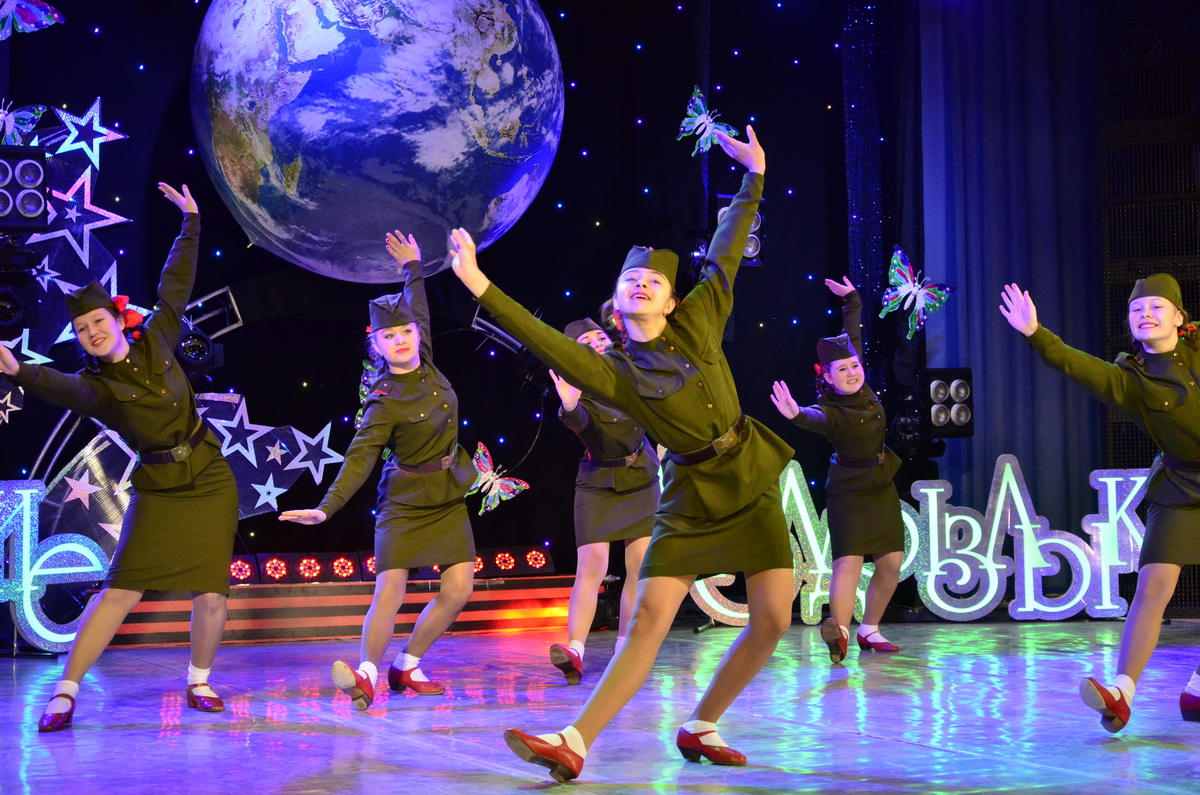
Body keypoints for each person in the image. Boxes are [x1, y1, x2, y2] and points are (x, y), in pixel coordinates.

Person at [449, 126, 797, 782]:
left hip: (748, 475)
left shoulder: (701, 316)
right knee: (647, 621)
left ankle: (701, 724)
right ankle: (574, 740)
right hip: (689, 496)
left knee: (774, 617)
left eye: (653, 280)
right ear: (616, 300)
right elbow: (546, 339)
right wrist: (477, 282)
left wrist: (753, 177)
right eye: (630, 279)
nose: (641, 285)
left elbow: (724, 252)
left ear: (671, 298)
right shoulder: (616, 372)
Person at [0, 183, 239, 732]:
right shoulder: (98, 388)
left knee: (211, 590)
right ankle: (65, 692)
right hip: (158, 488)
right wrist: (19, 371)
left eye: (98, 322)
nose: (92, 333)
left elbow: (175, 284)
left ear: (116, 317)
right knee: (119, 590)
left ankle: (199, 681)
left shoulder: (157, 338)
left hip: (209, 476)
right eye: (82, 330)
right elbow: (61, 387)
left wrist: (191, 222)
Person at [279, 231, 477, 710]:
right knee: (390, 587)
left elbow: (418, 307)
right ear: (377, 346)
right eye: (390, 336)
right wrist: (326, 509)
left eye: (406, 331)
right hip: (404, 502)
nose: (401, 339)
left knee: (459, 589)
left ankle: (407, 665)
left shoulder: (426, 359)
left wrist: (413, 267)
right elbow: (360, 457)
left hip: (447, 494)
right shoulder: (382, 400)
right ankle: (366, 674)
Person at [1000, 275, 1200, 732]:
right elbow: (1076, 365)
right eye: (1137, 310)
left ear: (1178, 316)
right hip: (1180, 485)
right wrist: (1035, 333)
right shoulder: (1130, 378)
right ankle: (1122, 692)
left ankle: (1197, 690)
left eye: (1156, 307)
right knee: (1152, 586)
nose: (1146, 314)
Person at [769, 277, 904, 663]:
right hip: (848, 489)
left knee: (891, 561)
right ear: (827, 376)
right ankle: (840, 632)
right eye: (842, 369)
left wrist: (852, 301)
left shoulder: (863, 388)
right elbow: (814, 418)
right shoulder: (831, 410)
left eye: (855, 366)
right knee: (849, 561)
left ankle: (869, 629)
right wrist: (796, 414)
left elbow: (852, 335)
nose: (852, 372)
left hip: (880, 483)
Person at [546, 318, 660, 684]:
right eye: (586, 340)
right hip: (598, 482)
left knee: (639, 566)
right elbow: (577, 420)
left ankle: (625, 649)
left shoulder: (630, 372)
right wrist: (568, 404)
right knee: (592, 565)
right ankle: (575, 650)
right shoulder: (577, 386)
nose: (597, 341)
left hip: (640, 479)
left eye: (599, 335)